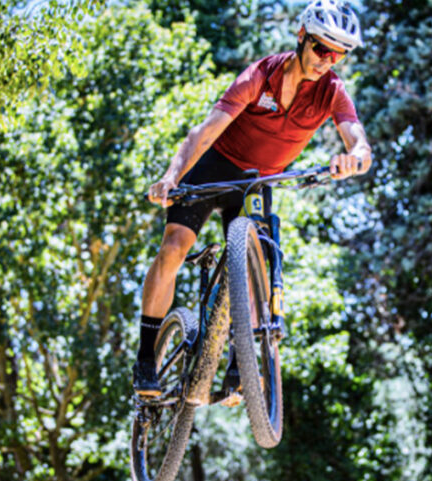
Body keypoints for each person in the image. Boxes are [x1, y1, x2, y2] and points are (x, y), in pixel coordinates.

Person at [134, 0, 373, 394]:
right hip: (214, 167)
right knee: (174, 248)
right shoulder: (261, 75)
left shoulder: (332, 92)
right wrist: (171, 176)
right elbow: (202, 134)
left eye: (338, 54)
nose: (326, 61)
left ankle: (238, 362)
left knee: (253, 263)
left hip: (256, 182)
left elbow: (359, 142)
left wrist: (355, 158)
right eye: (321, 49)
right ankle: (146, 358)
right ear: (302, 36)